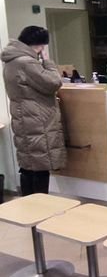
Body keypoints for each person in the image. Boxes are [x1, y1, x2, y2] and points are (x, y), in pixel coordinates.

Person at [1, 26, 66, 196]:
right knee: (40, 167)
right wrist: (48, 62)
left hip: (23, 118)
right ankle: (40, 206)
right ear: (39, 45)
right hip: (37, 120)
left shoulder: (11, 61)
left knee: (29, 165)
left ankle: (28, 204)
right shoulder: (27, 62)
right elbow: (53, 83)